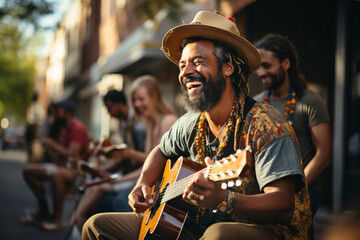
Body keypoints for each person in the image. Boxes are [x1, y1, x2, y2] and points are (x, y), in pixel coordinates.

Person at [82, 11, 314, 240]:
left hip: (270, 232)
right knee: (96, 226)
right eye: (182, 65)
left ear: (228, 67)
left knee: (218, 235)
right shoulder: (192, 122)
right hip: (195, 225)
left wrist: (226, 199)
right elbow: (161, 150)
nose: (186, 72)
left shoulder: (266, 124)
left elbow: (283, 205)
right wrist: (143, 183)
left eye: (198, 62)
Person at [72, 83, 177, 233]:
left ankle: (77, 225)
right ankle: (76, 224)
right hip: (149, 183)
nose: (136, 104)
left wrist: (119, 175)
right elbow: (148, 164)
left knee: (103, 195)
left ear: (155, 97)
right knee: (94, 193)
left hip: (160, 186)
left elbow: (151, 163)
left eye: (141, 99)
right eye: (134, 100)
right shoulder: (149, 123)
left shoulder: (167, 121)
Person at [253, 34, 332, 216]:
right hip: (263, 190)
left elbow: (325, 154)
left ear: (285, 64)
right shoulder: (257, 105)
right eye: (259, 67)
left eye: (267, 65)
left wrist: (294, 188)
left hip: (304, 191)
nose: (261, 72)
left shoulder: (310, 101)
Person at [22, 99, 90, 231]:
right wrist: (50, 149)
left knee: (57, 174)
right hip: (62, 166)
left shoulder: (77, 127)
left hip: (76, 170)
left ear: (68, 113)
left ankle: (57, 220)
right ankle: (43, 211)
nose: (56, 115)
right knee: (28, 171)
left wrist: (52, 144)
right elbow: (60, 157)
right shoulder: (64, 129)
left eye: (59, 112)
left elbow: (72, 154)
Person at [25, 92, 45, 163]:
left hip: (33, 127)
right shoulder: (37, 106)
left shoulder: (35, 106)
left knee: (33, 143)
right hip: (33, 128)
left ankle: (33, 159)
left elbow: (30, 119)